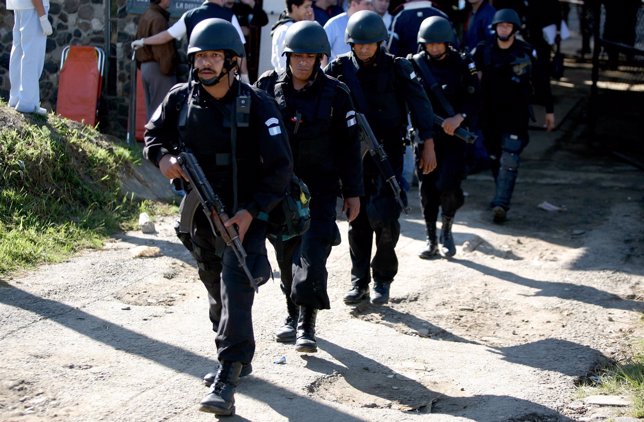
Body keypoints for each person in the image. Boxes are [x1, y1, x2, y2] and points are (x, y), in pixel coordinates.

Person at [142, 18, 293, 416]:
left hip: (247, 210)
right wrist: (164, 159)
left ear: (231, 61)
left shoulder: (258, 105)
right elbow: (152, 135)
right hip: (200, 212)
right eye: (200, 56)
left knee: (236, 286)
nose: (205, 63)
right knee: (215, 286)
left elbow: (280, 169)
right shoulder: (180, 98)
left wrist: (250, 212)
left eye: (214, 56)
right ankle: (237, 349)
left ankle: (228, 374)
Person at [255, 21, 363, 352]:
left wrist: (353, 192)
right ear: (287, 57)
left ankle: (307, 324)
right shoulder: (266, 88)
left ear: (320, 59)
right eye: (297, 56)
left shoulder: (337, 93)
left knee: (312, 255)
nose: (303, 63)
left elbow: (350, 148)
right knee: (287, 257)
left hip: (320, 188)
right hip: (280, 189)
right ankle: (291, 313)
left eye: (310, 57)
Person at [326, 10, 436, 305]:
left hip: (389, 153)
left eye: (369, 43)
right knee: (357, 219)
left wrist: (428, 142)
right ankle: (359, 281)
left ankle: (383, 279)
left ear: (380, 43)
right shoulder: (339, 69)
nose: (363, 49)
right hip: (353, 155)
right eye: (358, 43)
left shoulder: (397, 68)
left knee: (385, 218)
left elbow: (420, 105)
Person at [472, 8, 554, 224]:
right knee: (494, 158)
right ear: (495, 27)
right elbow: (469, 73)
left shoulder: (526, 52)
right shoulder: (483, 50)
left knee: (510, 159)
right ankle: (501, 193)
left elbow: (541, 80)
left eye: (508, 26)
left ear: (515, 29)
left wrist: (549, 111)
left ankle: (501, 203)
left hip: (516, 117)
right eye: (501, 25)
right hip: (489, 116)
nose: (504, 29)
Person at [410, 16, 480, 259]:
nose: (435, 47)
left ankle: (447, 230)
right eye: (430, 44)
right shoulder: (415, 65)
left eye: (439, 43)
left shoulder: (462, 63)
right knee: (427, 190)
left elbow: (476, 98)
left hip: (455, 138)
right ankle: (431, 239)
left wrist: (459, 118)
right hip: (425, 136)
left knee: (448, 186)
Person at [131, 0, 250, 83]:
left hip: (198, 75)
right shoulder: (229, 16)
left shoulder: (190, 15)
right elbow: (240, 50)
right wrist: (244, 76)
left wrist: (143, 41)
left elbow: (167, 36)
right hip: (222, 77)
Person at [7, 0, 52, 116]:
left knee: (19, 51)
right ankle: (27, 102)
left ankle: (16, 98)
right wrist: (42, 16)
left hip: (21, 5)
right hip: (34, 7)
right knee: (32, 54)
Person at [135, 0, 178, 120]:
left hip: (146, 67)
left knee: (153, 111)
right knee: (162, 111)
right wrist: (168, 70)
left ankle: (152, 137)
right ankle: (160, 138)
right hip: (158, 68)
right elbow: (163, 50)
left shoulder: (147, 14)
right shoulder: (158, 19)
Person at [223, 0, 269, 81]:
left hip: (245, 53)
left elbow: (264, 20)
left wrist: (252, 3)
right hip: (225, 54)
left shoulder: (243, 7)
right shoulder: (219, 8)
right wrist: (238, 30)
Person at [270, 0, 314, 73]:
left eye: (310, 6)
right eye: (306, 7)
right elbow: (283, 65)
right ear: (294, 7)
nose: (310, 11)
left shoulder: (298, 26)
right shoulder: (285, 30)